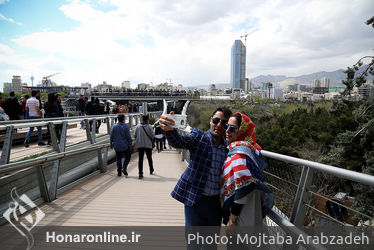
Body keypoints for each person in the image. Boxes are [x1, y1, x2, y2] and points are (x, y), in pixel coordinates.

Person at [158, 107, 232, 227]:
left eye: (224, 123)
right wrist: (170, 130)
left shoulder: (228, 148)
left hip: (216, 203)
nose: (219, 125)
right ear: (210, 120)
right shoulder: (199, 137)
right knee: (194, 242)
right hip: (195, 198)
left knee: (211, 244)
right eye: (216, 120)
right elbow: (179, 142)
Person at [220, 112, 274, 227]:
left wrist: (233, 219)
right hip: (248, 210)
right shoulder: (247, 149)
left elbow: (242, 187)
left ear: (242, 131)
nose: (227, 130)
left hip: (242, 217)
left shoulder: (240, 154)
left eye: (233, 128)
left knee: (240, 244)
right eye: (226, 126)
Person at [134, 115, 154, 179]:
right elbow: (153, 136)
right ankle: (151, 169)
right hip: (148, 145)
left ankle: (140, 173)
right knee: (149, 158)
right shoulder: (150, 126)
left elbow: (135, 135)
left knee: (140, 159)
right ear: (147, 119)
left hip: (140, 145)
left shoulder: (138, 126)